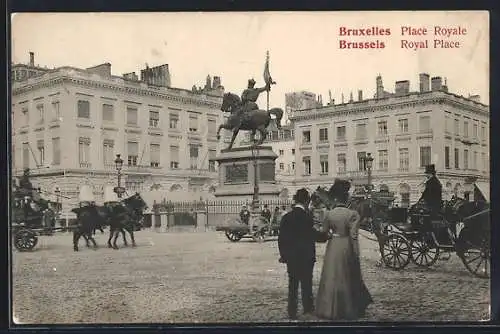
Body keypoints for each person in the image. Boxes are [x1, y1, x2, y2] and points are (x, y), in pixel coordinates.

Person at [315, 179, 373, 320]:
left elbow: (323, 231)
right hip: (346, 244)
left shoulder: (328, 214)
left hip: (333, 246)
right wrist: (356, 252)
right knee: (348, 276)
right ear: (346, 197)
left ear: (335, 198)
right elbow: (353, 236)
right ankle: (349, 307)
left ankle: (328, 308)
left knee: (332, 276)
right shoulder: (353, 214)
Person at [278, 188, 330, 320]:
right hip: (306, 255)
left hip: (292, 256)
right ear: (306, 201)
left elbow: (281, 238)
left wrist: (284, 255)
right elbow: (312, 235)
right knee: (307, 282)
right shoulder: (307, 217)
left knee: (293, 284)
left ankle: (292, 310)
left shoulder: (287, 217)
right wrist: (325, 237)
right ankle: (307, 307)